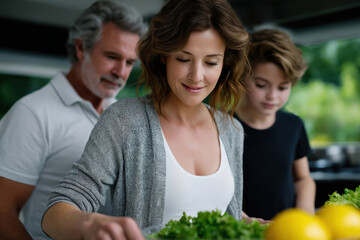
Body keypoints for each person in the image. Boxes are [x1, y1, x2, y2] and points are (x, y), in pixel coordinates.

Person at [41, 0, 252, 239]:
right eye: (183, 59)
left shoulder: (230, 129)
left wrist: (245, 224)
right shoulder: (125, 120)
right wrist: (90, 225)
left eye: (211, 62)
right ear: (164, 56)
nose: (196, 76)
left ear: (225, 63)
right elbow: (57, 210)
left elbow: (218, 211)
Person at [0, 1, 146, 239]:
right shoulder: (33, 113)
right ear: (81, 48)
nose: (121, 72)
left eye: (130, 62)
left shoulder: (124, 115)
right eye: (112, 56)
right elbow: (2, 211)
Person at [235, 29, 316, 220]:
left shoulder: (293, 125)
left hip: (286, 230)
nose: (272, 96)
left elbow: (303, 178)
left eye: (282, 87)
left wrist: (304, 215)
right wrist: (245, 222)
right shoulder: (224, 126)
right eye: (262, 85)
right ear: (243, 76)